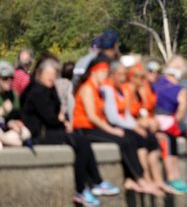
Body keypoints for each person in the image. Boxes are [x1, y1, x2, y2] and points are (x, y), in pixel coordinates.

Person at [22, 57, 120, 206]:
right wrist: (62, 122)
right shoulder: (36, 92)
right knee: (80, 141)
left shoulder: (49, 90)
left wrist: (60, 119)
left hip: (50, 130)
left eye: (54, 74)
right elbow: (50, 118)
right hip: (40, 135)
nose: (51, 77)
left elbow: (56, 111)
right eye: (48, 74)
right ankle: (82, 190)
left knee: (81, 141)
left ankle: (97, 183)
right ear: (40, 73)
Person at [72, 58, 160, 195]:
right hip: (84, 129)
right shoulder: (87, 89)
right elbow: (92, 117)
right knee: (125, 140)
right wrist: (111, 130)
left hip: (95, 128)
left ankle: (135, 179)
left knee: (130, 138)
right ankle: (139, 180)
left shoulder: (97, 89)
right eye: (104, 73)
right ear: (95, 73)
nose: (106, 76)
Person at [101, 61, 169, 193]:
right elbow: (115, 116)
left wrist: (142, 123)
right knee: (139, 139)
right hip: (115, 126)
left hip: (129, 124)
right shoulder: (118, 89)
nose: (144, 81)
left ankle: (157, 180)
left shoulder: (134, 91)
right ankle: (144, 179)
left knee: (152, 140)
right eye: (141, 78)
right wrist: (137, 125)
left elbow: (131, 114)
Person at [153, 55, 187, 190]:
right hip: (166, 122)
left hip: (151, 120)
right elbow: (180, 117)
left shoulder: (154, 82)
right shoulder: (180, 91)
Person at [0, 61, 30, 149]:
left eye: (11, 78)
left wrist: (14, 122)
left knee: (25, 132)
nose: (9, 81)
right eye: (5, 78)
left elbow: (16, 116)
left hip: (8, 130)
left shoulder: (13, 95)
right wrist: (3, 110)